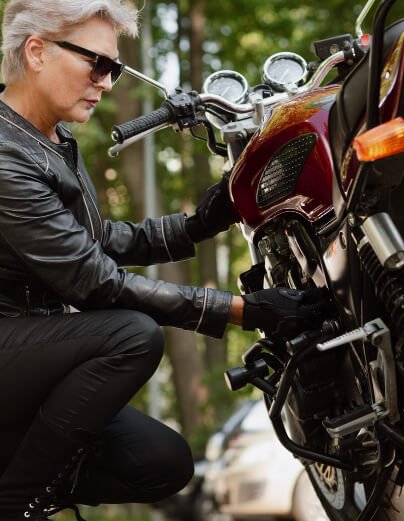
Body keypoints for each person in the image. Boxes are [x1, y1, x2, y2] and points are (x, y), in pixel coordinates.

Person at [0, 1, 329, 520]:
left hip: (36, 354)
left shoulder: (52, 139)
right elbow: (92, 281)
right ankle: (16, 502)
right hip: (13, 346)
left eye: (115, 69)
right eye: (97, 63)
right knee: (132, 334)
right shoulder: (5, 156)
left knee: (163, 463)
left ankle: (24, 468)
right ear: (36, 52)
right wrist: (245, 310)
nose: (106, 82)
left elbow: (97, 239)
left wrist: (197, 225)